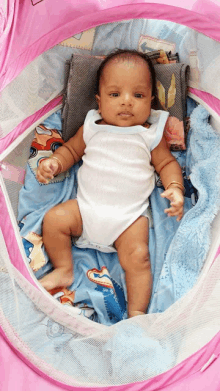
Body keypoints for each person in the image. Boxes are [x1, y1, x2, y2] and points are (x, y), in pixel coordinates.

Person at [36, 49, 184, 318]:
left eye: (137, 95)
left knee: (139, 257)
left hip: (127, 220)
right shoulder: (92, 126)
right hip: (85, 209)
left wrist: (175, 187)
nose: (126, 102)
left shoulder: (149, 135)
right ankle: (64, 269)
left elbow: (167, 165)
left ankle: (137, 313)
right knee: (54, 219)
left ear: (151, 101)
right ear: (99, 101)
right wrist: (55, 163)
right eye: (115, 95)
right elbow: (71, 151)